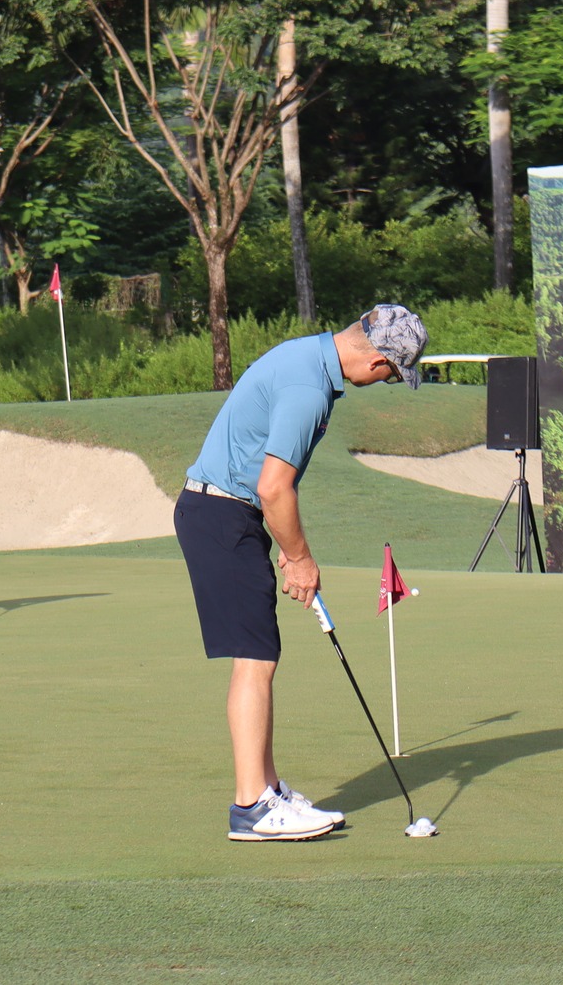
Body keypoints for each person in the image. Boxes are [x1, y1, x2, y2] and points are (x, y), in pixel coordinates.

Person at [175, 304, 427, 841]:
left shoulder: (305, 359)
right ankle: (251, 808)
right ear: (377, 358)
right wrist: (302, 559)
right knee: (255, 661)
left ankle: (267, 790)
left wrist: (287, 548)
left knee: (260, 653)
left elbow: (267, 490)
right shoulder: (309, 386)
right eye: (390, 373)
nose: (383, 383)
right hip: (224, 515)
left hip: (226, 515)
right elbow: (273, 487)